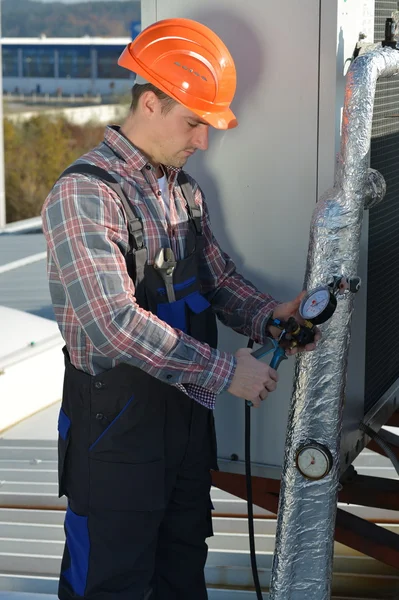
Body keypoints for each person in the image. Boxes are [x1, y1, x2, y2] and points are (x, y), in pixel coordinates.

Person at [42, 17, 319, 600]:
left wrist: (274, 316)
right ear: (150, 103)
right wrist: (227, 373)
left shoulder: (179, 190)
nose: (203, 141)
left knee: (181, 571)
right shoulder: (85, 194)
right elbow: (112, 325)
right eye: (194, 122)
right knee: (110, 584)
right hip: (114, 438)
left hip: (184, 429)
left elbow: (216, 280)